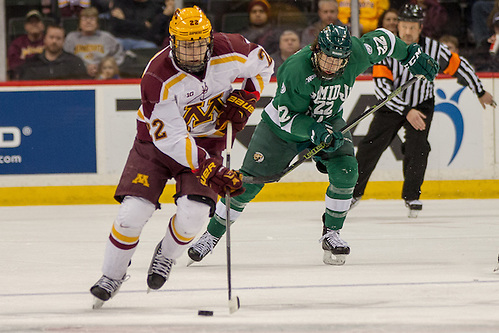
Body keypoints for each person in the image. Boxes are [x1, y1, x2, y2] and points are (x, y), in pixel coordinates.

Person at [187, 23, 440, 266]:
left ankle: (331, 233)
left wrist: (409, 54)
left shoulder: (356, 53)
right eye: (327, 57)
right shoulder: (295, 69)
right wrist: (315, 131)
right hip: (281, 131)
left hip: (327, 123)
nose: (331, 65)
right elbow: (286, 115)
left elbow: (384, 39)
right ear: (317, 49)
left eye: (338, 60)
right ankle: (211, 235)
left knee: (347, 171)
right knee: (248, 186)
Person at [89, 6, 273, 307]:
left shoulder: (232, 49)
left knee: (194, 217)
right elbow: (171, 138)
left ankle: (165, 255)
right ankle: (112, 275)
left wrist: (248, 97)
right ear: (172, 41)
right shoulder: (157, 77)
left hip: (209, 139)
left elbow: (264, 66)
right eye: (186, 45)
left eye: (199, 44)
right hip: (155, 145)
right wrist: (209, 169)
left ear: (210, 40)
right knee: (131, 214)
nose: (193, 52)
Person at [352, 4, 495, 217]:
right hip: (392, 105)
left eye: (413, 27)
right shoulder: (387, 49)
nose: (408, 31)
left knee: (418, 148)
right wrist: (406, 110)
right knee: (370, 147)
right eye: (404, 26)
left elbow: (460, 65)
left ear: (420, 28)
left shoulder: (433, 49)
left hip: (422, 104)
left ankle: (412, 196)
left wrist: (480, 90)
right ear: (398, 26)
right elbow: (383, 89)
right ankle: (352, 193)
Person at [64, 7, 125, 78]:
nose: (88, 22)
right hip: (78, 75)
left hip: (104, 76)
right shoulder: (71, 38)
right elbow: (65, 58)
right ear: (79, 23)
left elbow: (119, 56)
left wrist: (105, 67)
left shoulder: (107, 37)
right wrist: (83, 68)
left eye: (92, 19)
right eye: (84, 19)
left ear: (97, 23)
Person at [17, 24, 88, 80]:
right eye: (51, 37)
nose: (54, 41)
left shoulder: (74, 63)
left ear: (64, 41)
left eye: (58, 38)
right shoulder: (31, 64)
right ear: (44, 39)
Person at [7, 10, 46, 80]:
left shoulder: (49, 41)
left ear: (43, 25)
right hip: (23, 80)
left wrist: (26, 61)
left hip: (46, 79)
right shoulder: (17, 44)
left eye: (37, 22)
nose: (34, 24)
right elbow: (13, 66)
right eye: (31, 22)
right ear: (25, 26)